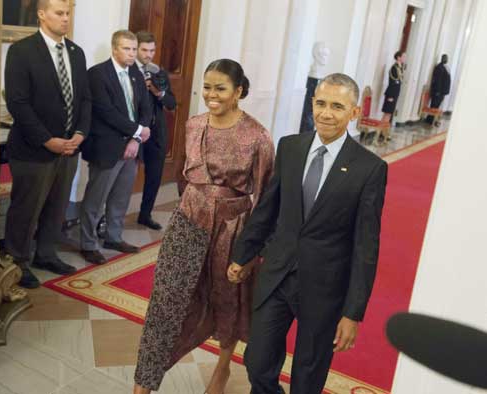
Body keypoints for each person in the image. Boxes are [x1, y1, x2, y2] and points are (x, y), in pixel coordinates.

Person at [228, 73, 388, 394]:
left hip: (325, 288)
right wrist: (243, 254)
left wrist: (352, 313)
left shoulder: (369, 168)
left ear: (354, 112)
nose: (327, 113)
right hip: (277, 274)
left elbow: (365, 246)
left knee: (307, 376)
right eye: (321, 103)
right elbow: (267, 209)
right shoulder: (290, 147)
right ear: (312, 103)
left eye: (338, 106)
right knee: (257, 362)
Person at [133, 59, 275, 394]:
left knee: (228, 300)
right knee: (164, 302)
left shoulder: (258, 136)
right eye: (207, 87)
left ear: (238, 91)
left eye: (220, 88)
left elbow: (266, 197)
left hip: (232, 228)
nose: (211, 94)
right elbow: (187, 175)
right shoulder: (194, 124)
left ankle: (222, 369)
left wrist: (252, 253)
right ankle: (143, 382)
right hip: (189, 221)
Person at [4, 0, 91, 288]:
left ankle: (46, 254)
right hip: (33, 150)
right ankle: (16, 263)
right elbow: (18, 103)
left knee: (56, 206)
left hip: (69, 149)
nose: (65, 19)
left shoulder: (76, 53)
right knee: (26, 209)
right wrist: (47, 140)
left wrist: (79, 133)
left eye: (68, 13)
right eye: (59, 13)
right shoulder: (22, 51)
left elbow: (85, 99)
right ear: (42, 15)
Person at [79, 30, 152, 265]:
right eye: (126, 48)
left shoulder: (136, 74)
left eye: (133, 49)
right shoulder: (97, 74)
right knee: (95, 199)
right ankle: (88, 244)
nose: (132, 54)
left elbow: (146, 108)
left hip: (131, 147)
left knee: (120, 197)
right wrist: (138, 131)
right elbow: (106, 112)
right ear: (114, 49)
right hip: (107, 147)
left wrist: (136, 140)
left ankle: (113, 236)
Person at [134, 31, 176, 230]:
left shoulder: (158, 71)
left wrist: (159, 93)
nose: (148, 55)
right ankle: (106, 219)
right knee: (123, 177)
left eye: (152, 50)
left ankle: (145, 214)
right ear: (136, 49)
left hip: (156, 131)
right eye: (144, 50)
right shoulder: (128, 70)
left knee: (155, 175)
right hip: (133, 131)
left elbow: (171, 103)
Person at [379, 50, 406, 143]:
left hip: (395, 94)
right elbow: (393, 83)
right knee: (387, 114)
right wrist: (391, 96)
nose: (404, 59)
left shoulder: (400, 67)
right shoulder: (394, 68)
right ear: (398, 57)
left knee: (389, 114)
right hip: (391, 94)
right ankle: (381, 133)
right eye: (403, 57)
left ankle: (384, 132)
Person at [426, 53, 451, 125]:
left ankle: (432, 120)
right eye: (445, 58)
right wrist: (437, 91)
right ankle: (429, 120)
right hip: (438, 92)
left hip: (442, 92)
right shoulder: (439, 67)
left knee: (437, 106)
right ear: (442, 59)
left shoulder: (445, 67)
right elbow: (437, 80)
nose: (446, 60)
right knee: (434, 106)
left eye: (447, 58)